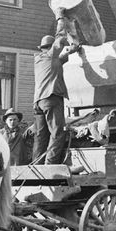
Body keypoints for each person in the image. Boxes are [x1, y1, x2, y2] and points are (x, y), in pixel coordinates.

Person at [33, 31, 81, 164]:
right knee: (58, 132)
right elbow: (59, 41)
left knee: (41, 136)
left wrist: (71, 50)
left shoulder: (40, 59)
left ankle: (37, 165)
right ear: (50, 48)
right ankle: (50, 164)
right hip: (51, 98)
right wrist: (62, 23)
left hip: (39, 102)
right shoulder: (50, 55)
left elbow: (61, 58)